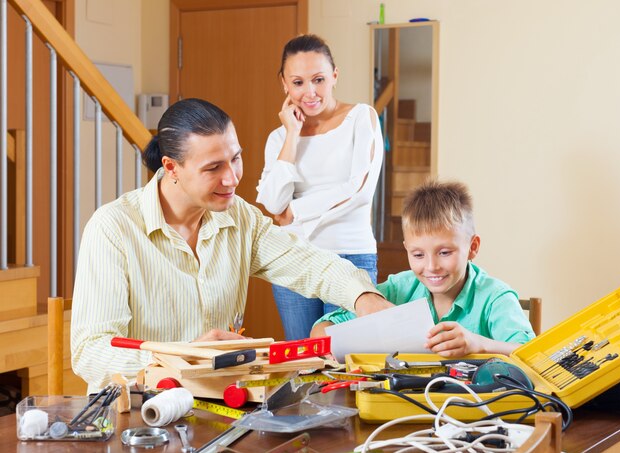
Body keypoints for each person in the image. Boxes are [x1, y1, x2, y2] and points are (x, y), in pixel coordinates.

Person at [71, 98, 394, 393]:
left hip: (217, 407)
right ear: (171, 168)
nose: (232, 178)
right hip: (137, 416)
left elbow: (309, 263)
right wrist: (184, 356)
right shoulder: (113, 229)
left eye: (235, 159)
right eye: (213, 168)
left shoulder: (239, 217)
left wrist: (363, 297)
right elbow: (91, 351)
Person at [311, 180, 535, 357]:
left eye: (445, 253)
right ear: (407, 250)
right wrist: (329, 348)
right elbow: (322, 329)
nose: (431, 267)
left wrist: (479, 344)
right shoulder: (397, 290)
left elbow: (532, 356)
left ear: (472, 247)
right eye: (418, 255)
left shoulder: (495, 297)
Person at [256, 34, 384, 340]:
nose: (310, 92)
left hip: (350, 254)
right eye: (298, 82)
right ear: (284, 84)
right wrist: (292, 134)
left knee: (344, 358)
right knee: (301, 359)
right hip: (293, 259)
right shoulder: (279, 137)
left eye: (319, 80)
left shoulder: (360, 118)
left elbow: (360, 189)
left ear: (335, 76)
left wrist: (295, 212)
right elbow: (273, 203)